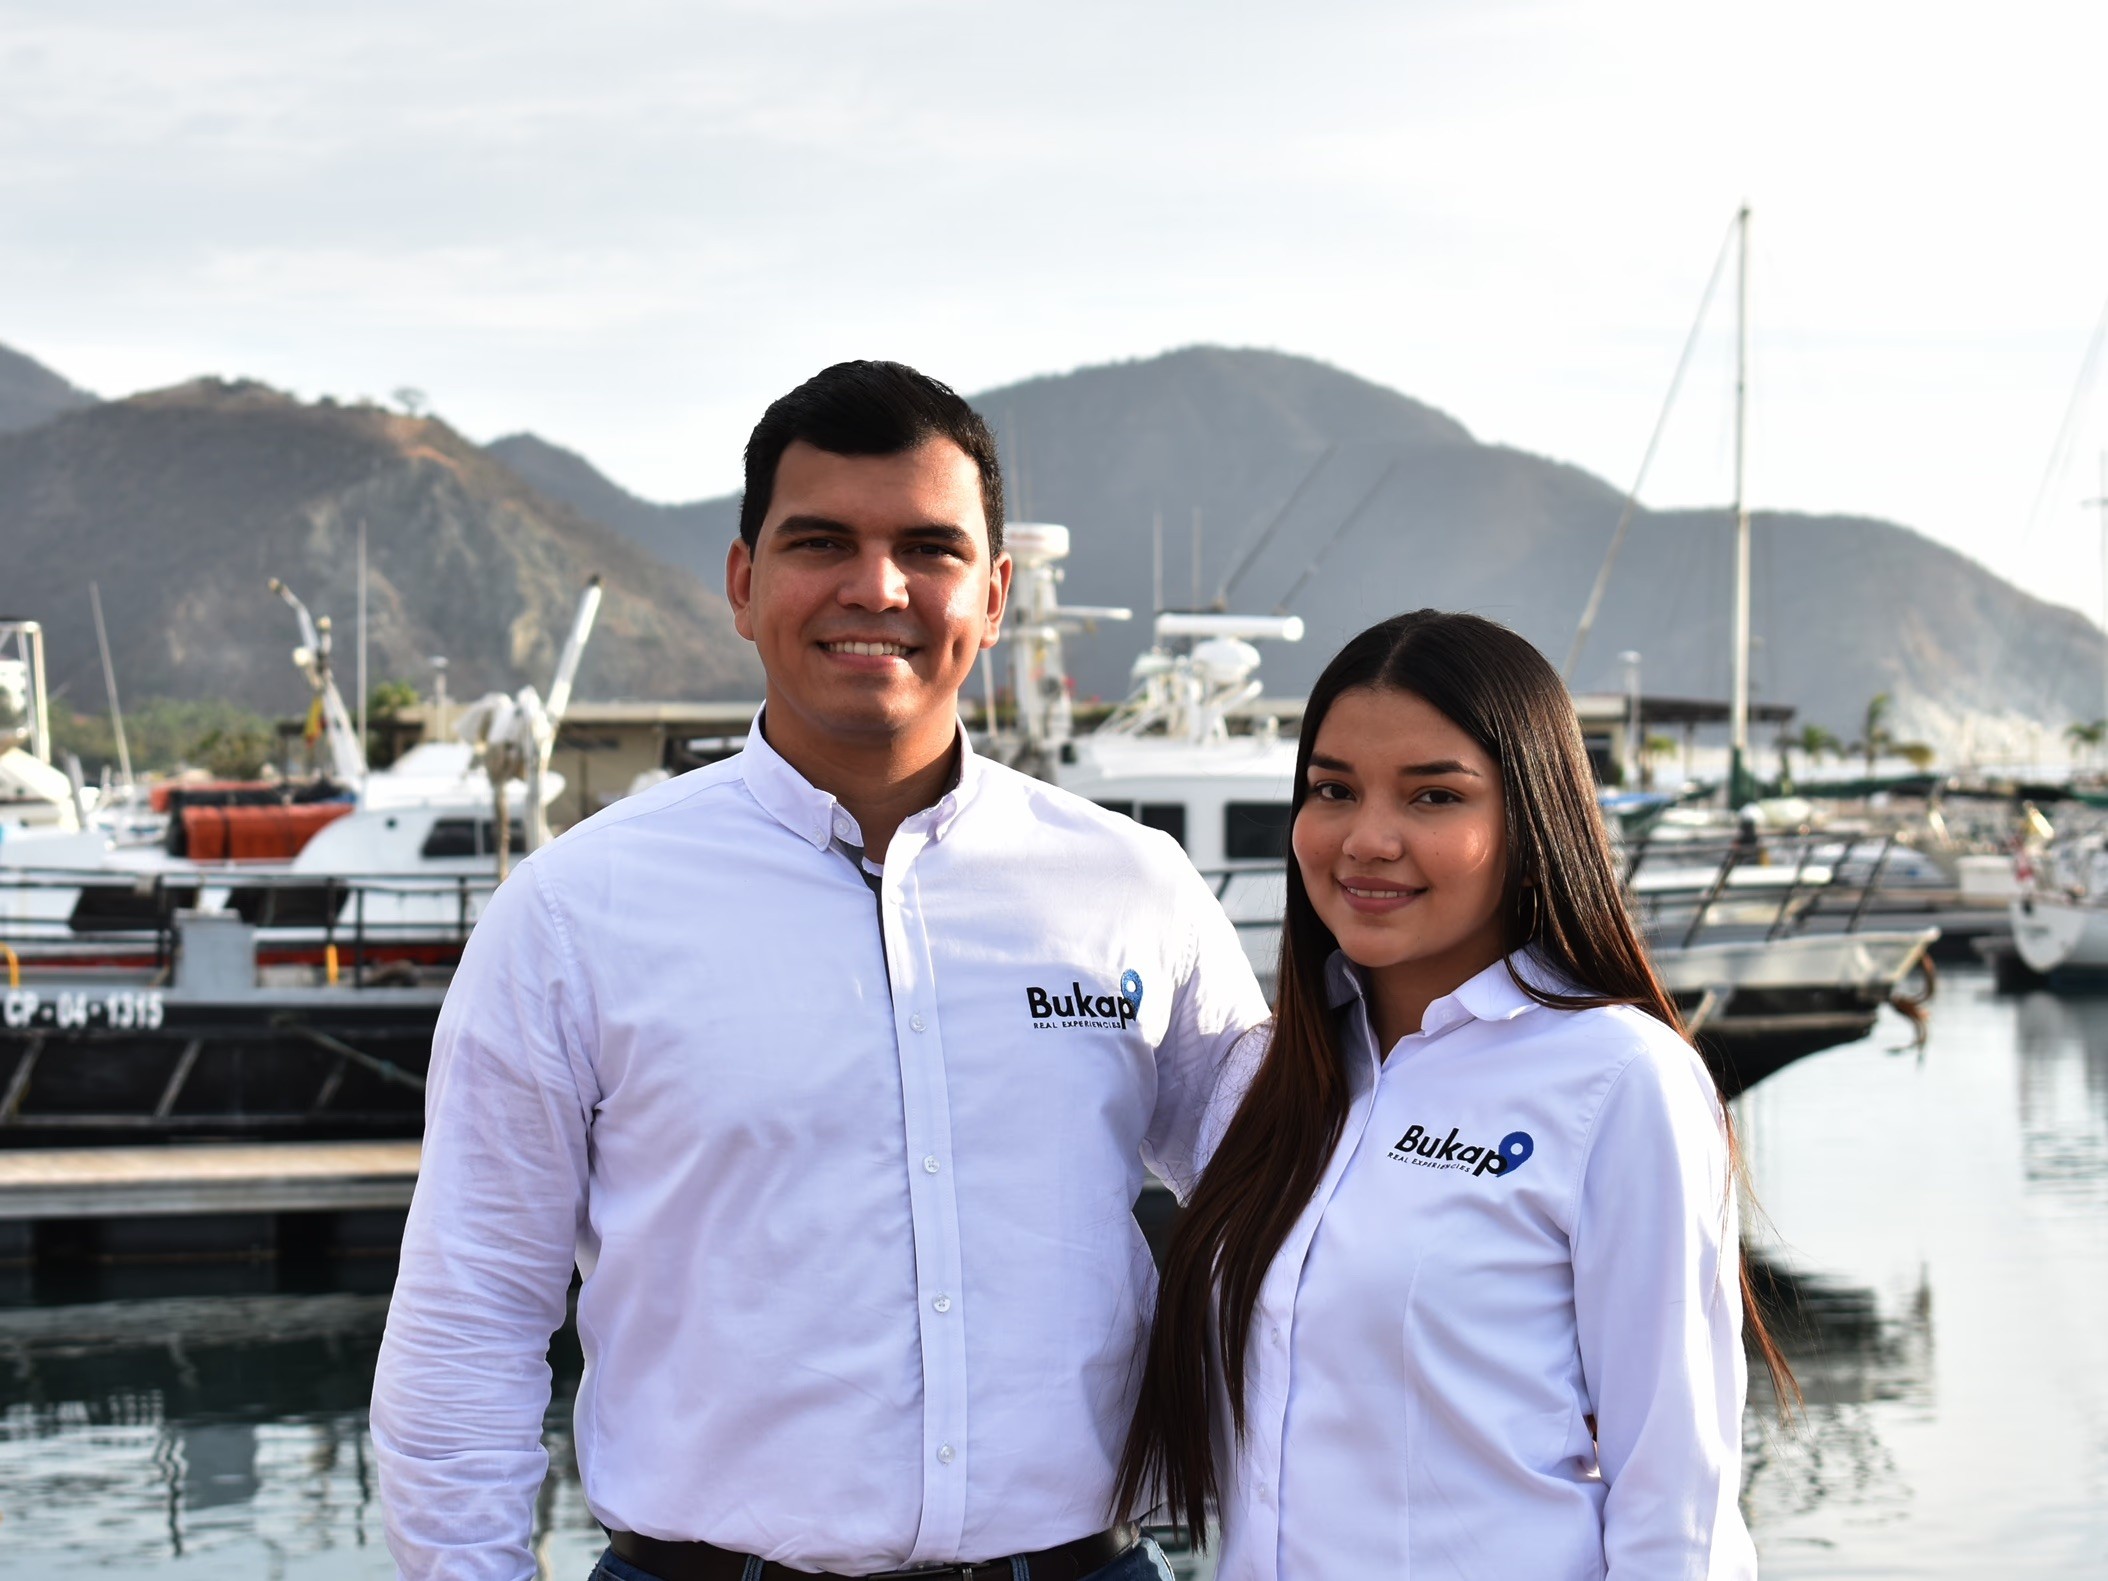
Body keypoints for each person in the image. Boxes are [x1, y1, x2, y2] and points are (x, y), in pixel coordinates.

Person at [371, 360, 1269, 1581]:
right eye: (820, 541)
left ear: (994, 595)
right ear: (743, 584)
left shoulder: (1132, 889)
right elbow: (468, 1322)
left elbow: (1289, 1227)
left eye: (929, 548)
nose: (876, 587)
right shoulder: (576, 913)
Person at [1115, 610, 1790, 1580]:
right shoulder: (1267, 1083)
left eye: (1433, 796)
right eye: (1331, 791)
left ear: (1528, 819)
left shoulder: (1615, 1080)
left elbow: (1675, 1508)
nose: (1367, 840)